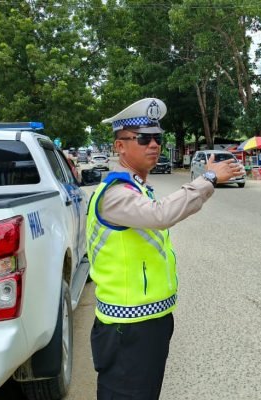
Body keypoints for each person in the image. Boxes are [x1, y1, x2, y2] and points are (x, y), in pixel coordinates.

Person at [87, 98, 244, 400]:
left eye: (158, 138)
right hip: (127, 327)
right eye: (143, 138)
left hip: (148, 322)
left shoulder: (137, 188)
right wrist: (208, 179)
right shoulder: (116, 193)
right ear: (120, 146)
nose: (154, 145)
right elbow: (161, 215)